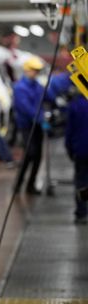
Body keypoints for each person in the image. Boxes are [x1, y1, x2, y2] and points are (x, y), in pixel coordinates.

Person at [13, 56, 47, 194]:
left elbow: (44, 99)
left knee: (38, 155)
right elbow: (25, 108)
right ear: (27, 70)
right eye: (34, 70)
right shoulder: (20, 88)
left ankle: (30, 186)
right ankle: (18, 185)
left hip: (37, 125)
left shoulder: (38, 86)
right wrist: (40, 118)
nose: (36, 73)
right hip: (26, 126)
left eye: (38, 71)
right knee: (30, 154)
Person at [65, 90, 88, 224]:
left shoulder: (75, 105)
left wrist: (69, 149)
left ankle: (82, 212)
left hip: (81, 150)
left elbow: (69, 131)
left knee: (82, 182)